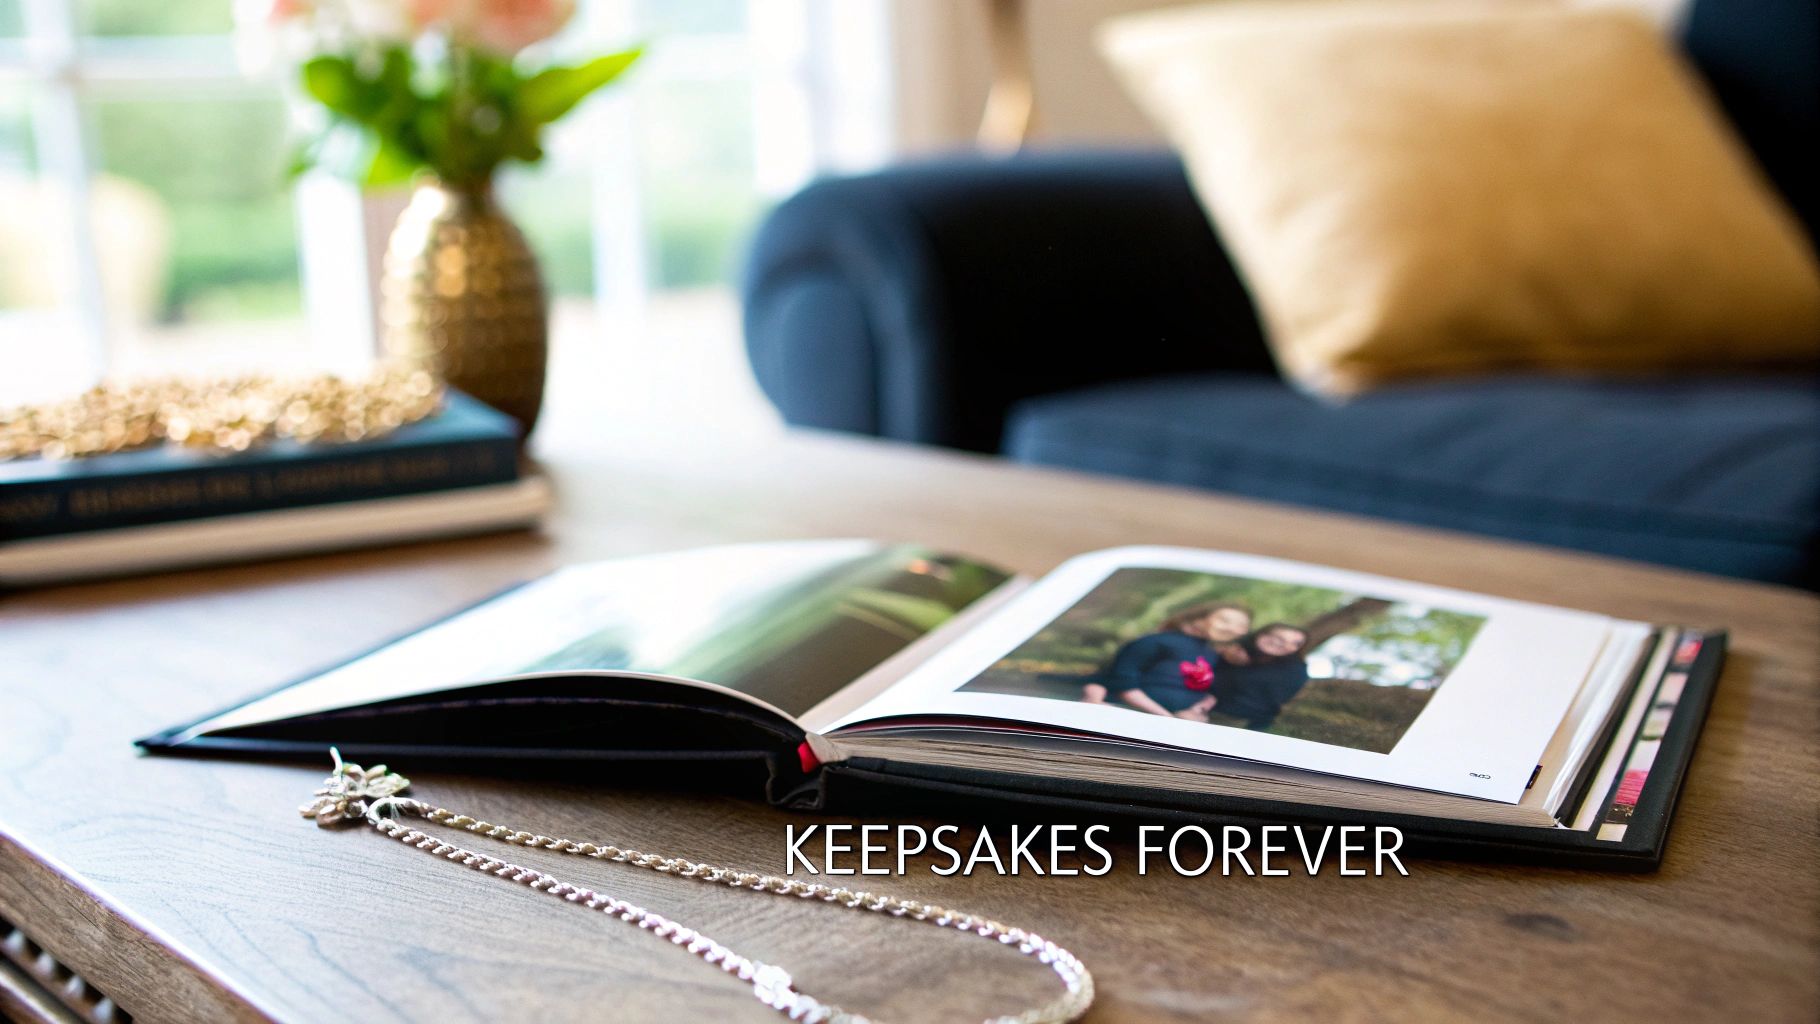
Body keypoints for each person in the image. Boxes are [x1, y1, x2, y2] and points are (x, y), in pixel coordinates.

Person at [1080, 602, 1252, 718]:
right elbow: (1124, 684)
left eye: (1241, 626)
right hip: (1129, 713)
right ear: (1199, 617)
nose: (1232, 628)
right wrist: (1166, 718)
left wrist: (1197, 708)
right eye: (1224, 620)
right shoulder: (1155, 641)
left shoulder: (1210, 654)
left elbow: (1208, 690)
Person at [1193, 623, 1311, 730]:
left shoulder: (1293, 671)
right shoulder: (1238, 645)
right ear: (1262, 634)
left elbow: (1244, 691)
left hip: (1235, 719)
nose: (1284, 645)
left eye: (1296, 644)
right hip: (1197, 699)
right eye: (1278, 638)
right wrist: (1222, 652)